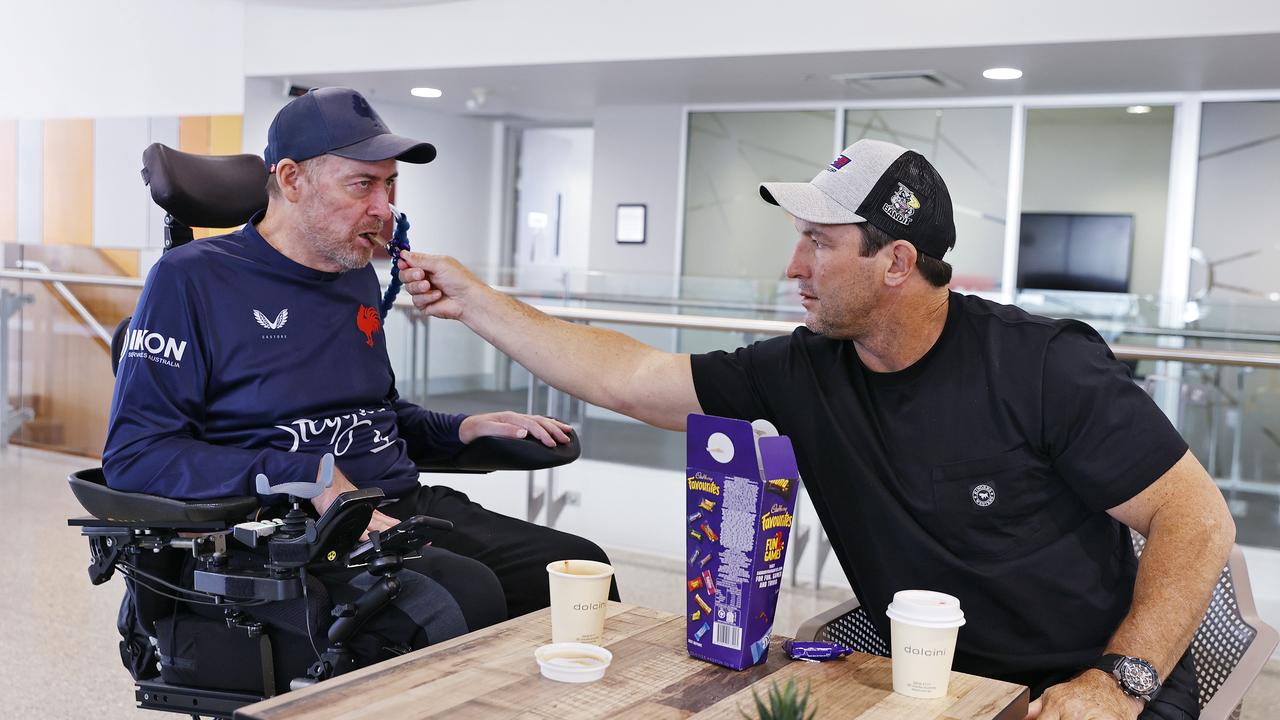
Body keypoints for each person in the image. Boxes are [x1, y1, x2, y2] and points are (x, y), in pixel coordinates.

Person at [397, 138, 1235, 719]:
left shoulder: (1042, 365)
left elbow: (1196, 517)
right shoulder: (802, 370)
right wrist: (475, 301)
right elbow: (631, 378)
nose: (792, 268)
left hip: (1081, 687)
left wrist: (1120, 681)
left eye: (817, 243)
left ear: (896, 263)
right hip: (921, 681)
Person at [103, 87, 616, 648]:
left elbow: (374, 413)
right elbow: (136, 455)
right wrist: (306, 475)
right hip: (289, 529)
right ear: (293, 179)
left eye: (389, 184)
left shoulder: (353, 270)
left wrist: (463, 428)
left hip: (395, 504)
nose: (383, 207)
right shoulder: (190, 278)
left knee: (578, 570)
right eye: (363, 184)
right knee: (465, 595)